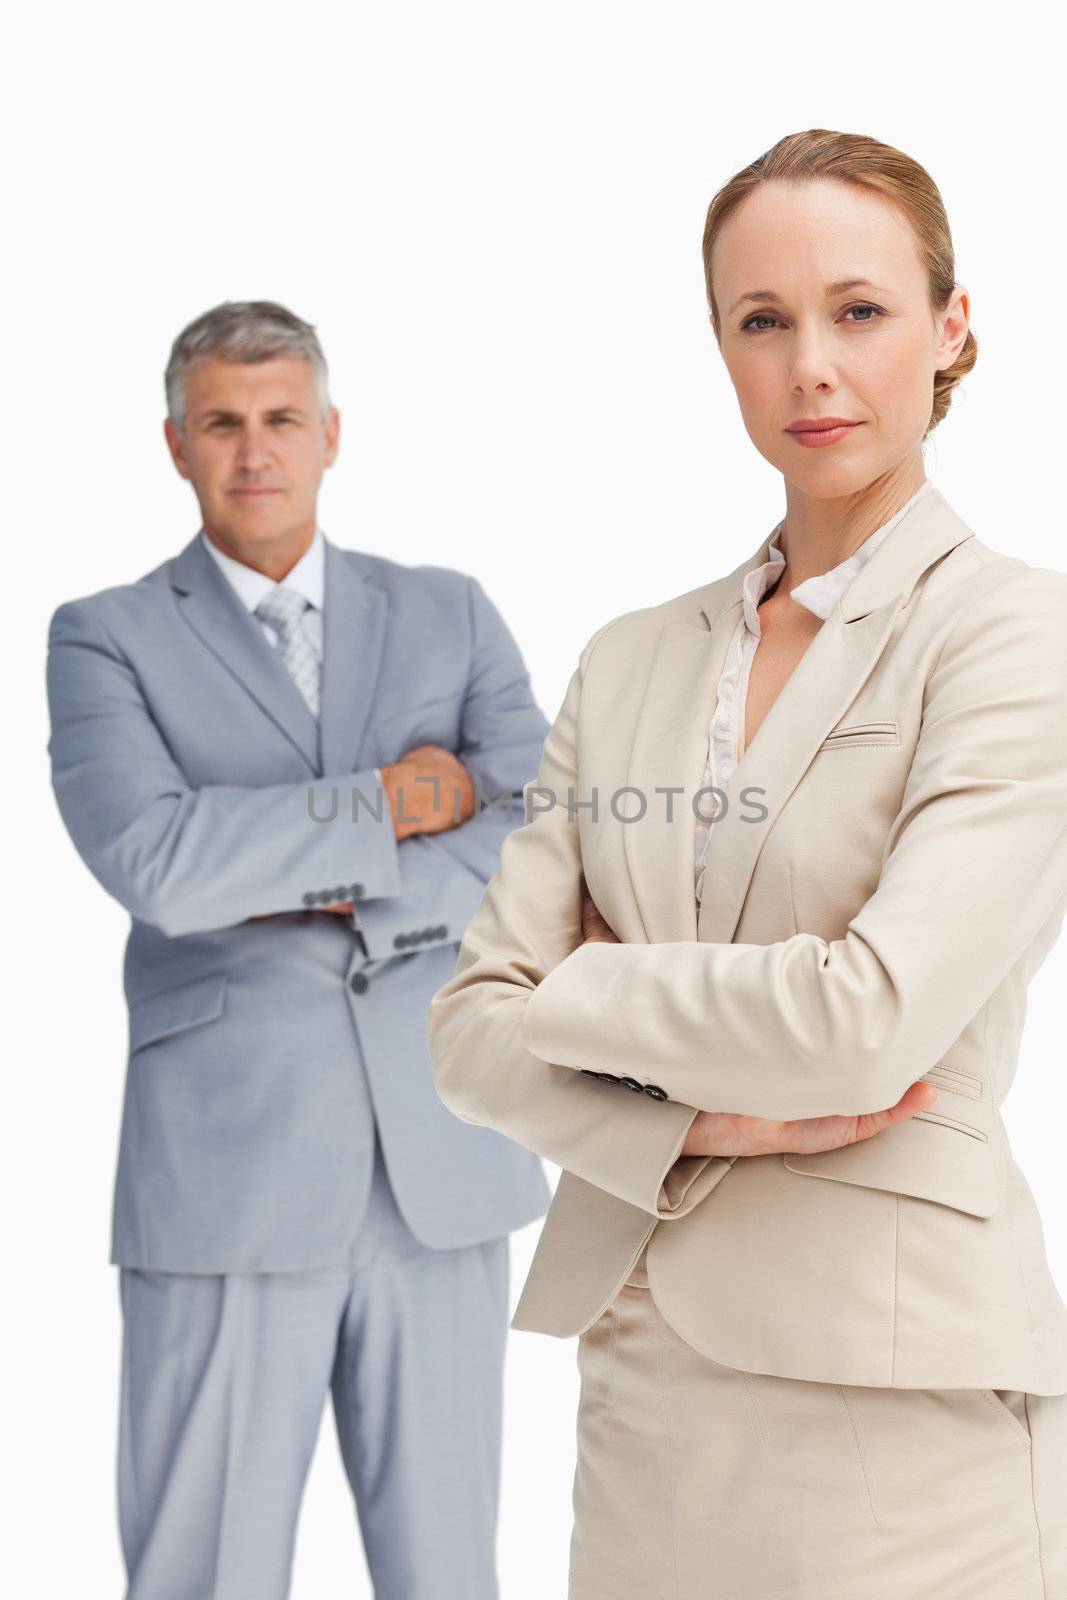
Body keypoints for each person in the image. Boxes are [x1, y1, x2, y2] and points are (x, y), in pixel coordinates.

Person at [427, 130, 1067, 1597]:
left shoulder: (1018, 633)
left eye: (860, 310)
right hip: (644, 1382)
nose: (810, 369)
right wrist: (693, 1125)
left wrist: (582, 989)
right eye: (761, 322)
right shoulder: (632, 656)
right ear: (720, 349)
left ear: (951, 327)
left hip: (899, 1409)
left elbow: (865, 1019)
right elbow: (467, 1033)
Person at [45, 299, 551, 1600]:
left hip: (437, 1168)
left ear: (330, 434)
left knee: (450, 1577)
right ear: (176, 444)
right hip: (229, 1178)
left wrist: (282, 857)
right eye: (223, 422)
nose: (253, 451)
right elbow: (158, 864)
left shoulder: (450, 609)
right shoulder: (102, 636)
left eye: (280, 420)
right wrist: (393, 801)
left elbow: (538, 829)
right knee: (203, 1578)